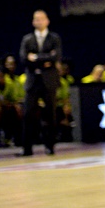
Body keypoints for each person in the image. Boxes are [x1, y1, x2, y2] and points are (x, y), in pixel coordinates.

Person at [18, 9, 62, 156]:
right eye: (36, 19)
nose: (39, 21)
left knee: (50, 114)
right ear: (33, 22)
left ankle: (50, 146)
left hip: (49, 81)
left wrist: (36, 58)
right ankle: (27, 148)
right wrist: (45, 59)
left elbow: (55, 57)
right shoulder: (27, 39)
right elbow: (24, 59)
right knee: (28, 114)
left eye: (42, 19)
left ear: (47, 21)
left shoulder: (54, 38)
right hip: (32, 82)